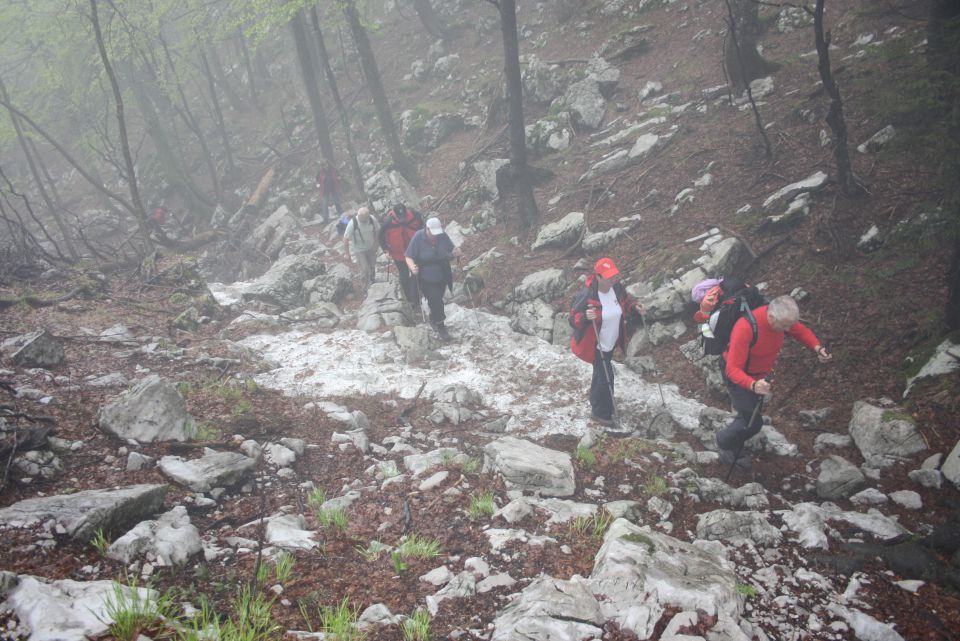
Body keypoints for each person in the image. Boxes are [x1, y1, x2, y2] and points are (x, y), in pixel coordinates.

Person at [715, 295, 832, 467]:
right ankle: (724, 442)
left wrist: (817, 347)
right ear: (771, 317)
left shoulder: (780, 321)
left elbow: (799, 330)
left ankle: (736, 438)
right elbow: (733, 370)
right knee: (753, 422)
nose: (788, 329)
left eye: (789, 325)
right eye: (785, 326)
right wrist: (753, 385)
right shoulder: (745, 328)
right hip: (740, 377)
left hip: (758, 377)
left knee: (750, 416)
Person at [568, 257, 643, 426]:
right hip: (595, 345)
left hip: (610, 342)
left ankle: (596, 403)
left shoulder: (616, 288)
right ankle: (602, 414)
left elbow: (625, 301)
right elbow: (573, 319)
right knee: (606, 378)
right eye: (608, 277)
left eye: (614, 275)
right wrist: (586, 317)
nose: (612, 279)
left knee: (600, 374)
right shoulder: (588, 294)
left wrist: (635, 306)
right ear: (598, 276)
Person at [405, 216, 460, 340]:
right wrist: (412, 267)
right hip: (425, 274)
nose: (435, 235)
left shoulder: (442, 235)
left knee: (438, 297)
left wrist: (456, 251)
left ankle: (433, 318)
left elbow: (452, 248)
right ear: (427, 229)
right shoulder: (418, 237)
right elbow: (408, 256)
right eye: (433, 232)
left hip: (441, 272)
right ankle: (441, 328)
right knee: (436, 300)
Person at [379, 203, 423, 304]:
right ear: (394, 214)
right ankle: (408, 298)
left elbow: (422, 228)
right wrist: (386, 250)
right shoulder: (388, 223)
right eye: (400, 217)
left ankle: (415, 297)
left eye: (404, 217)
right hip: (398, 255)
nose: (402, 219)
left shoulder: (415, 215)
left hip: (414, 252)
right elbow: (380, 237)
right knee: (404, 277)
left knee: (415, 274)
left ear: (406, 212)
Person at [342, 206, 380, 286]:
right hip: (359, 250)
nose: (362, 220)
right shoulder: (352, 223)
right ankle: (365, 286)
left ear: (368, 216)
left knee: (372, 265)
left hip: (370, 247)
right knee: (364, 269)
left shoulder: (372, 220)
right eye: (360, 217)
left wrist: (376, 244)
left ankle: (372, 281)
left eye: (364, 218)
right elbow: (345, 239)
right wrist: (347, 254)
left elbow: (377, 231)